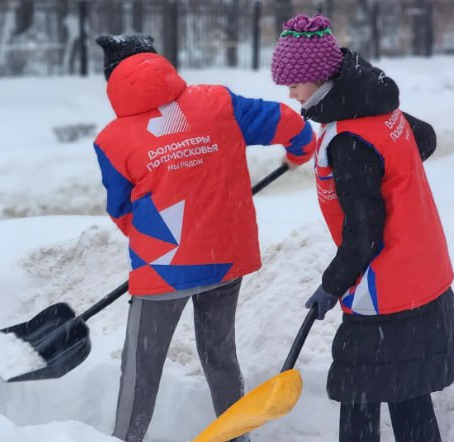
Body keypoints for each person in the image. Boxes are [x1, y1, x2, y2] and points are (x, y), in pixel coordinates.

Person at [93, 34, 316, 442]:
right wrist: (301, 149)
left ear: (111, 80)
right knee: (219, 356)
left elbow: (121, 210)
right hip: (225, 257)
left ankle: (126, 438)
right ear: (159, 64)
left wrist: (156, 250)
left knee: (141, 368)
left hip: (163, 269)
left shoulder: (111, 140)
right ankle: (237, 438)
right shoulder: (217, 102)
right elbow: (291, 123)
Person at [271, 13, 454, 442]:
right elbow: (426, 138)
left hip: (387, 288)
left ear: (319, 78)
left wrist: (331, 285)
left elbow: (365, 235)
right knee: (405, 388)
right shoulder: (376, 108)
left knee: (359, 395)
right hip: (424, 272)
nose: (289, 92)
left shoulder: (349, 140)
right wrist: (394, 177)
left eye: (294, 82)